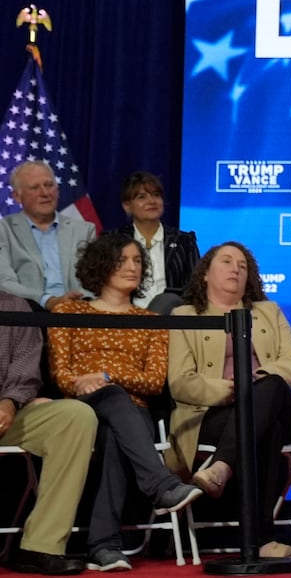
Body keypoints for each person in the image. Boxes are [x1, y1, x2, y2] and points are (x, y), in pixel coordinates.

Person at [47, 232, 204, 572]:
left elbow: (153, 382)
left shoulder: (150, 323)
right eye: (123, 261)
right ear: (101, 266)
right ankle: (160, 487)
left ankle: (104, 547)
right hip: (79, 410)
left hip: (134, 413)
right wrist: (98, 382)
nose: (132, 267)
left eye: (137, 261)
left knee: (115, 430)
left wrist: (105, 375)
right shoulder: (69, 311)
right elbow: (62, 376)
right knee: (114, 401)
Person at [166, 241, 291, 561]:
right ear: (204, 274)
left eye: (243, 265)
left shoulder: (268, 312)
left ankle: (221, 466)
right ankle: (263, 539)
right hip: (213, 413)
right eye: (227, 262)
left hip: (273, 401)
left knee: (270, 386)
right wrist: (229, 390)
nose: (236, 269)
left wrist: (253, 382)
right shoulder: (184, 315)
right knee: (265, 429)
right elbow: (180, 382)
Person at [0, 290, 97, 575]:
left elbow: (25, 370)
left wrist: (9, 401)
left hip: (8, 414)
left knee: (74, 416)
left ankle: (40, 546)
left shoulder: (15, 307)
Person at [0, 159, 95, 311]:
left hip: (78, 311)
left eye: (49, 185)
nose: (45, 193)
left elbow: (95, 280)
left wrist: (76, 302)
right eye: (34, 188)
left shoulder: (84, 230)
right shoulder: (4, 230)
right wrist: (48, 301)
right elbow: (4, 282)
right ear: (17, 196)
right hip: (27, 313)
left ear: (57, 190)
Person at [108, 171, 200, 314]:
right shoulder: (112, 240)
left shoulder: (184, 241)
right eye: (142, 197)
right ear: (127, 206)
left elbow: (196, 287)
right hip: (125, 318)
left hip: (173, 320)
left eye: (156, 195)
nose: (152, 201)